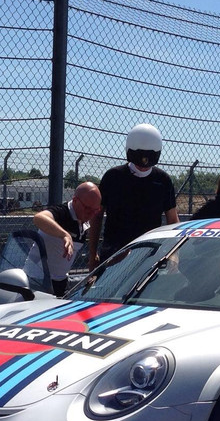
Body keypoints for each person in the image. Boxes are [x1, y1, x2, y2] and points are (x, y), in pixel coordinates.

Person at [88, 123, 178, 268]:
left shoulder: (163, 181)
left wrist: (174, 253)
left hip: (148, 254)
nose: (143, 164)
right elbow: (97, 215)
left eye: (149, 158)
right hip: (114, 253)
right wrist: (93, 253)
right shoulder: (113, 177)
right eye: (138, 158)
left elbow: (172, 219)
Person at [32, 181, 101, 296]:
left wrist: (93, 254)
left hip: (60, 281)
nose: (91, 214)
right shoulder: (63, 212)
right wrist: (64, 234)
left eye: (96, 211)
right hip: (37, 280)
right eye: (88, 209)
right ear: (75, 201)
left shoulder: (84, 221)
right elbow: (39, 218)